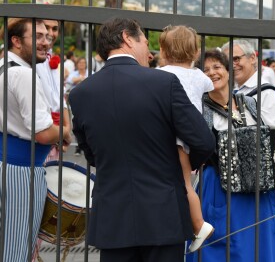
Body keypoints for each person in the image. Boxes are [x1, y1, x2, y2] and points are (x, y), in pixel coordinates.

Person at [68, 17, 215, 262]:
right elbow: (203, 140)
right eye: (146, 42)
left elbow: (90, 152)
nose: (149, 51)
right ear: (127, 38)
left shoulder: (80, 94)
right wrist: (184, 167)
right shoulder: (164, 82)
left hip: (113, 216)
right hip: (163, 212)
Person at [187, 48, 275, 262]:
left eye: (217, 67)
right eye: (205, 70)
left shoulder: (251, 103)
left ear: (227, 70)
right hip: (220, 190)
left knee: (262, 248)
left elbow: (273, 140)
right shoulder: (198, 109)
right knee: (225, 250)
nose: (212, 73)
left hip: (258, 193)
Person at [0, 18, 71, 262]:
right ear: (16, 41)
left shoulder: (4, 65)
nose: (46, 42)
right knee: (16, 249)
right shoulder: (22, 75)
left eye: (48, 36)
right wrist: (63, 131)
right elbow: (41, 133)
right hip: (20, 170)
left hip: (7, 164)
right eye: (38, 36)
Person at [158, 25, 214, 253]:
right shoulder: (200, 76)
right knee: (185, 183)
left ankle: (199, 225)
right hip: (189, 136)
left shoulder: (161, 75)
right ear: (196, 52)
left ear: (163, 50)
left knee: (183, 185)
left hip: (169, 135)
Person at [222, 39, 275, 125]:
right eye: (227, 62)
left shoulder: (268, 93)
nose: (232, 65)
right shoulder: (232, 90)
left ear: (252, 58)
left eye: (236, 59)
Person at [36, 19, 72, 161]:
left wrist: (66, 128)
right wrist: (63, 133)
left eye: (55, 29)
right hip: (41, 134)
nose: (50, 33)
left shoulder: (51, 56)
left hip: (56, 135)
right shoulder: (29, 58)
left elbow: (60, 96)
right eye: (46, 28)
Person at [65, 56, 91, 156]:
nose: (82, 65)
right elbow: (70, 81)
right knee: (77, 124)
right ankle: (78, 147)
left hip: (88, 103)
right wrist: (80, 79)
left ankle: (88, 145)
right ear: (77, 65)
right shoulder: (73, 74)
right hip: (76, 103)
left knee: (88, 124)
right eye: (80, 63)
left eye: (83, 63)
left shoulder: (90, 73)